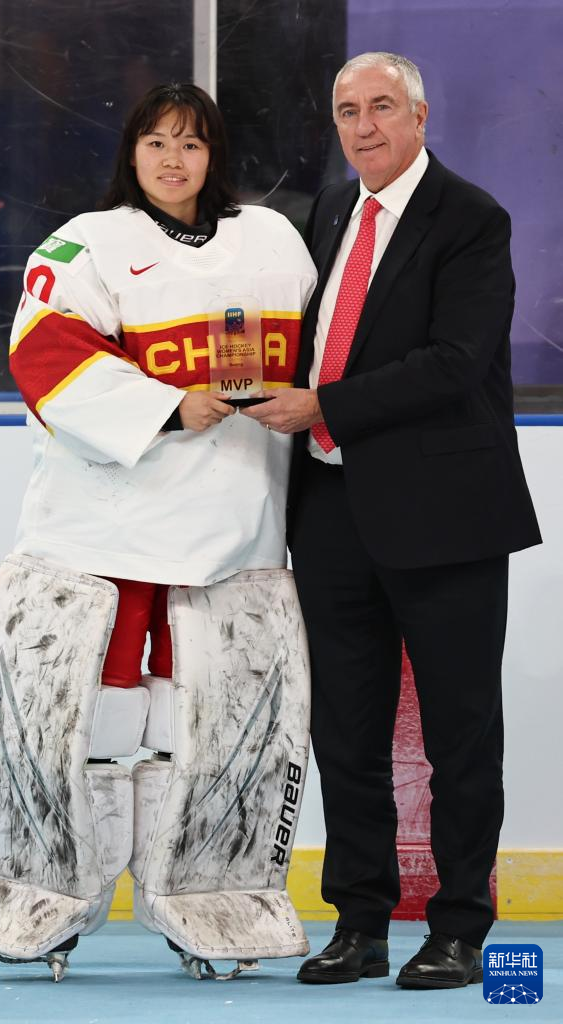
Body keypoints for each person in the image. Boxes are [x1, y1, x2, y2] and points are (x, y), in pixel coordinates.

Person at [0, 83, 316, 980]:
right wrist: (166, 407)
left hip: (237, 532)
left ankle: (210, 895)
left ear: (215, 155)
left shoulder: (274, 241)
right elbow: (43, 356)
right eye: (155, 142)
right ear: (131, 153)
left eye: (190, 143)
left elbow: (324, 350)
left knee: (209, 725)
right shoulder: (85, 244)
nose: (172, 160)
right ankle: (44, 895)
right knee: (86, 720)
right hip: (102, 533)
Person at [242, 52, 541, 989]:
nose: (363, 126)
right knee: (346, 732)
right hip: (331, 509)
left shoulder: (470, 217)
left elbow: (455, 361)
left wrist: (322, 406)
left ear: (419, 115)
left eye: (380, 107)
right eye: (346, 111)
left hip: (444, 514)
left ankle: (458, 928)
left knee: (460, 734)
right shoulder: (330, 212)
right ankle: (358, 923)